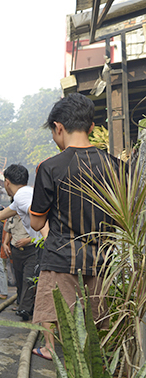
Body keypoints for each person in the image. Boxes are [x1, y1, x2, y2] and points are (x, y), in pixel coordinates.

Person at [29, 93, 117, 361]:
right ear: (91, 127)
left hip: (61, 259)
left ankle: (50, 350)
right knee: (96, 329)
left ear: (58, 127)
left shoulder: (50, 167)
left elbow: (36, 222)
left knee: (56, 317)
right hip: (102, 261)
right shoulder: (115, 166)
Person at [0, 164, 47, 322]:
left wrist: (47, 241)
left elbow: (39, 213)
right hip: (41, 245)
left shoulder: (22, 195)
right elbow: (1, 214)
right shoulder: (26, 194)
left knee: (37, 283)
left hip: (42, 246)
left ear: (6, 182)